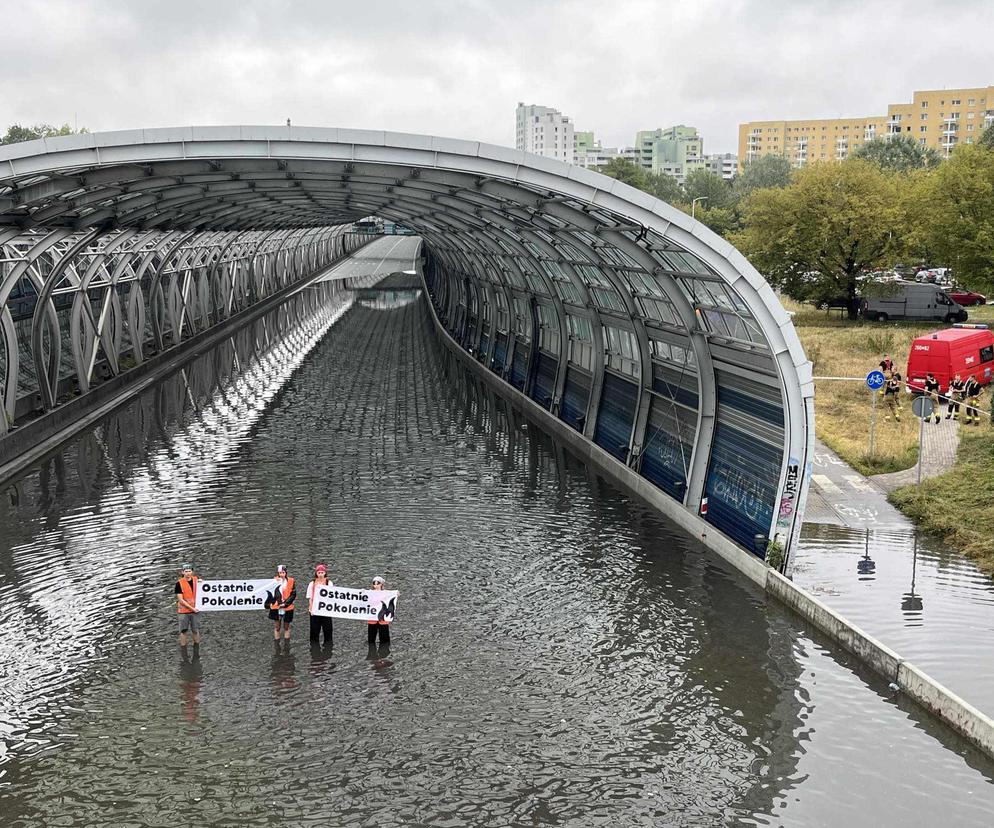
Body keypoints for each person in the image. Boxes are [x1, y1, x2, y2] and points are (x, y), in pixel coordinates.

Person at [266, 564, 296, 643]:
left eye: (283, 572)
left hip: (287, 607)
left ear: (286, 573)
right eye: (280, 573)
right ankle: (277, 642)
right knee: (277, 627)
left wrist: (286, 603)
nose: (282, 574)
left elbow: (293, 594)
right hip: (276, 607)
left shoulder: (291, 581)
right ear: (278, 573)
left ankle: (286, 643)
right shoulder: (274, 582)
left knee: (286, 627)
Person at [307, 563, 334, 647]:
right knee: (314, 630)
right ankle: (314, 647)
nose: (321, 574)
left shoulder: (329, 583)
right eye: (319, 573)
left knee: (328, 630)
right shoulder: (312, 583)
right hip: (315, 610)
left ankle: (328, 647)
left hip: (326, 610)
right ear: (316, 573)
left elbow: (333, 596)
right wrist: (311, 608)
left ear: (325, 573)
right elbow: (310, 598)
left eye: (322, 572)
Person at [175, 564, 200, 646]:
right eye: (186, 571)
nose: (188, 573)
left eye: (189, 571)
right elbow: (181, 600)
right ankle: (183, 647)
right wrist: (192, 609)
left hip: (195, 610)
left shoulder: (197, 580)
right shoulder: (179, 583)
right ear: (182, 572)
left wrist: (202, 583)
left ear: (192, 572)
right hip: (184, 611)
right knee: (183, 631)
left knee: (195, 630)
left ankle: (197, 647)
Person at [367, 575, 391, 647]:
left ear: (381, 584)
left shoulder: (386, 593)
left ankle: (384, 650)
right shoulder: (369, 592)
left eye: (378, 583)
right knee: (371, 637)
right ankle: (372, 651)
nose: (376, 585)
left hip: (383, 618)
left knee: (384, 637)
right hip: (372, 616)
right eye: (374, 583)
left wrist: (396, 593)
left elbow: (393, 595)